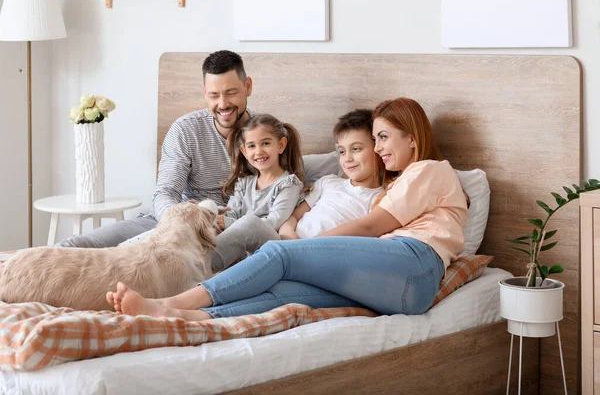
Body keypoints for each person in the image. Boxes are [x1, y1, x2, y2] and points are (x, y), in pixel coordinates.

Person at [106, 97, 469, 320]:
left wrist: (306, 249)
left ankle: (171, 302)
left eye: (383, 139)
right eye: (374, 140)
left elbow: (370, 227)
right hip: (402, 289)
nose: (378, 148)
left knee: (281, 255)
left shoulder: (429, 170)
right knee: (287, 295)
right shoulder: (400, 181)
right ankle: (191, 316)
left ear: (413, 137)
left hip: (412, 261)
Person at [57, 50, 255, 248]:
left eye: (231, 93)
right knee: (75, 245)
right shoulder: (186, 129)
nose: (222, 104)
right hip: (175, 221)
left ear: (247, 86)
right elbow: (166, 192)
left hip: (232, 229)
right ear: (204, 93)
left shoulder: (266, 136)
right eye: (214, 95)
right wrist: (179, 220)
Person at [210, 113, 304, 272]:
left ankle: (203, 267)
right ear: (244, 151)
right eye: (252, 146)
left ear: (281, 145)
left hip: (268, 245)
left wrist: (228, 223)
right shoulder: (244, 183)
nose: (258, 151)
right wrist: (219, 220)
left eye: (265, 143)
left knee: (250, 223)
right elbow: (232, 213)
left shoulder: (289, 184)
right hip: (240, 243)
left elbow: (274, 223)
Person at [279, 109, 385, 240]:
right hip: (288, 242)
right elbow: (294, 217)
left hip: (316, 252)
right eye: (342, 152)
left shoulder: (381, 200)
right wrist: (287, 232)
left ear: (379, 148)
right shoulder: (328, 182)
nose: (347, 159)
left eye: (356, 149)